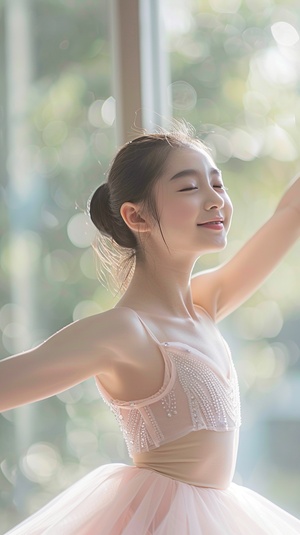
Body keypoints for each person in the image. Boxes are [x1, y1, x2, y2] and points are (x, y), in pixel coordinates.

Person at [0, 126, 300, 534]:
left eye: (217, 183)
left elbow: (289, 215)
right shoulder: (124, 332)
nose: (216, 200)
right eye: (189, 187)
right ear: (136, 215)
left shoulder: (205, 304)